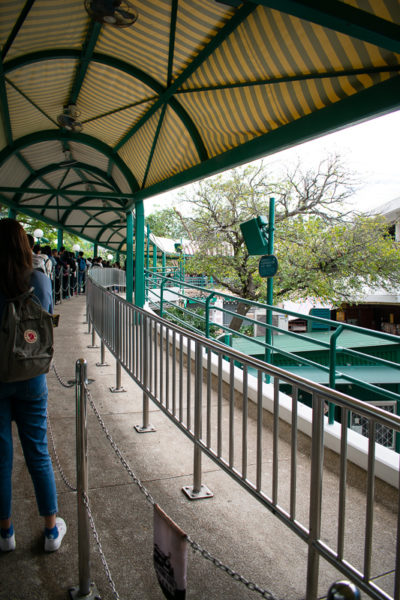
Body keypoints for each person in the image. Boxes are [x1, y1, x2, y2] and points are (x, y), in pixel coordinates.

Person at [0, 218, 66, 552]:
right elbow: (49, 317)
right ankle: (51, 530)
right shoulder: (38, 279)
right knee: (37, 451)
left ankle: (5, 532)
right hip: (32, 375)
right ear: (26, 246)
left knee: (1, 457)